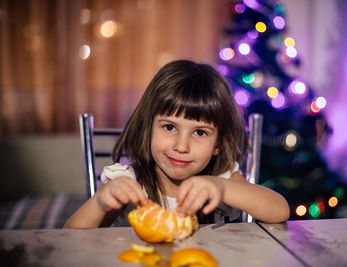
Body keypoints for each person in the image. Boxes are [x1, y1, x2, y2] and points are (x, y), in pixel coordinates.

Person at [64, 60, 289, 228]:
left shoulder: (222, 179)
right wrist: (102, 201)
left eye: (200, 132)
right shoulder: (131, 182)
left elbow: (280, 210)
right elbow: (71, 236)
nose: (182, 146)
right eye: (170, 127)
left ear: (218, 144)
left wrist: (222, 188)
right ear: (148, 128)